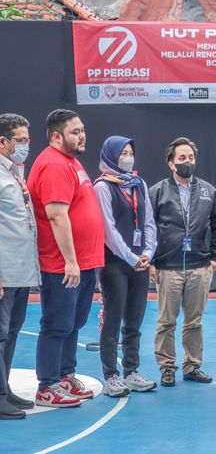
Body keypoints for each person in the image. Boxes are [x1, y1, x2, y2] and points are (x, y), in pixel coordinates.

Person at [27, 109, 105, 407]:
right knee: (58, 323)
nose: (82, 135)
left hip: (83, 262)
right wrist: (70, 261)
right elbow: (57, 217)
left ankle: (64, 375)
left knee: (73, 323)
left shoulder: (71, 163)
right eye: (75, 131)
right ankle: (47, 385)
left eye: (82, 129)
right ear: (56, 135)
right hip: (62, 265)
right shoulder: (53, 165)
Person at [149, 137, 216, 387]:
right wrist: (150, 262)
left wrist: (215, 257)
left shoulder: (208, 191)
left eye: (191, 158)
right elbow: (148, 228)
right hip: (167, 267)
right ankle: (167, 367)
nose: (187, 162)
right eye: (182, 158)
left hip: (199, 266)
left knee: (194, 321)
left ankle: (192, 365)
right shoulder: (157, 191)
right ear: (171, 163)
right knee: (166, 322)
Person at [93, 136, 158, 397]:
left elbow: (150, 222)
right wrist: (131, 257)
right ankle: (111, 375)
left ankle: (132, 371)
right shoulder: (102, 186)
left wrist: (147, 253)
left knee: (135, 320)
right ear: (110, 156)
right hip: (114, 264)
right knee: (113, 320)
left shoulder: (139, 183)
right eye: (122, 153)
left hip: (140, 263)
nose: (127, 157)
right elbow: (107, 229)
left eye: (130, 152)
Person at [0, 113, 39, 419]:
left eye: (27, 139)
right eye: (21, 140)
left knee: (12, 331)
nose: (26, 145)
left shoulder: (14, 173)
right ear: (3, 142)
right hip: (4, 272)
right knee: (0, 334)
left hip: (21, 271)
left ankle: (4, 387)